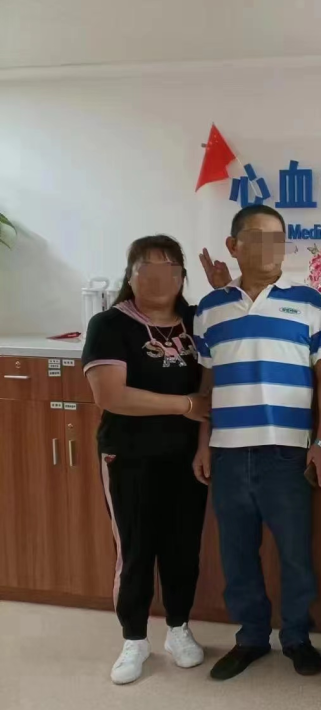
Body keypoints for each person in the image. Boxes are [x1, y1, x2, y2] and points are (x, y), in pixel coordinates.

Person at [192, 204, 321, 681]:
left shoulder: (309, 302)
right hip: (228, 453)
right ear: (234, 246)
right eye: (258, 237)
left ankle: (297, 637)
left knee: (296, 553)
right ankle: (251, 637)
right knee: (236, 554)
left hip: (287, 452)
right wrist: (203, 444)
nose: (270, 247)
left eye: (278, 238)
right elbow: (207, 383)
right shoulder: (210, 308)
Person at [83, 235, 211, 685]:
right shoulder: (110, 324)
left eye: (169, 269)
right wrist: (185, 405)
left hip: (186, 458)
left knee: (183, 548)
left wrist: (201, 440)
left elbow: (212, 381)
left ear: (182, 277)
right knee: (135, 550)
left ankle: (179, 629)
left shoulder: (196, 320)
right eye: (147, 268)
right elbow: (111, 395)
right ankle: (134, 638)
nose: (159, 278)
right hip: (129, 454)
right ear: (131, 275)